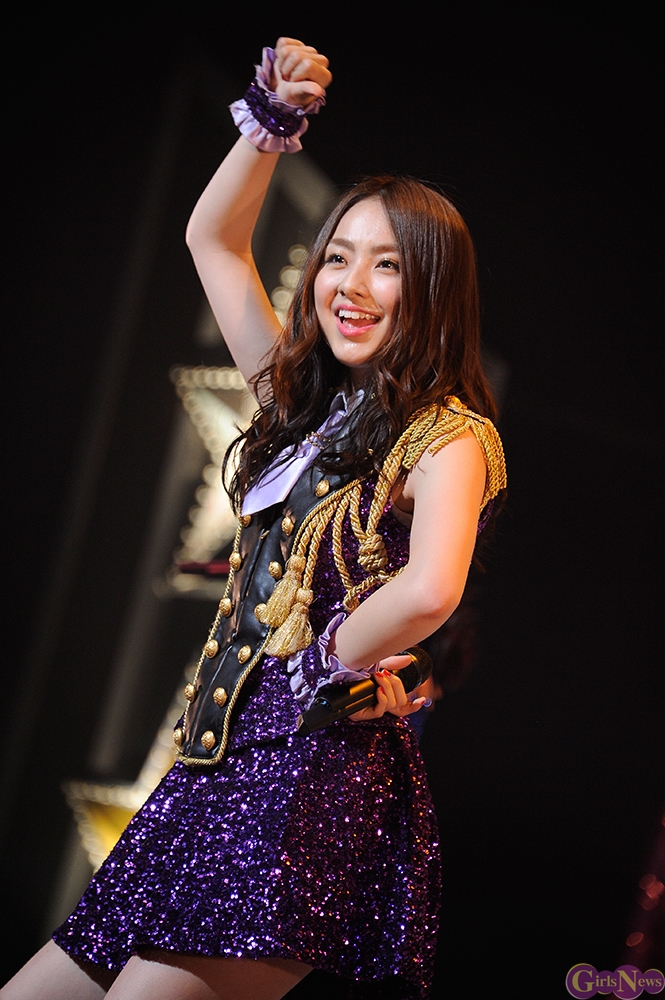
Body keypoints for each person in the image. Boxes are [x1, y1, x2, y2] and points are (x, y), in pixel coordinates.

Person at [1, 37, 506, 1000]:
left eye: (386, 266)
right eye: (336, 259)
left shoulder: (450, 434)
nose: (349, 285)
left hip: (303, 785)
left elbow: (432, 588)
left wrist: (328, 662)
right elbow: (213, 241)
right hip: (209, 778)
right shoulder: (302, 410)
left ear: (432, 287)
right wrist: (273, 123)